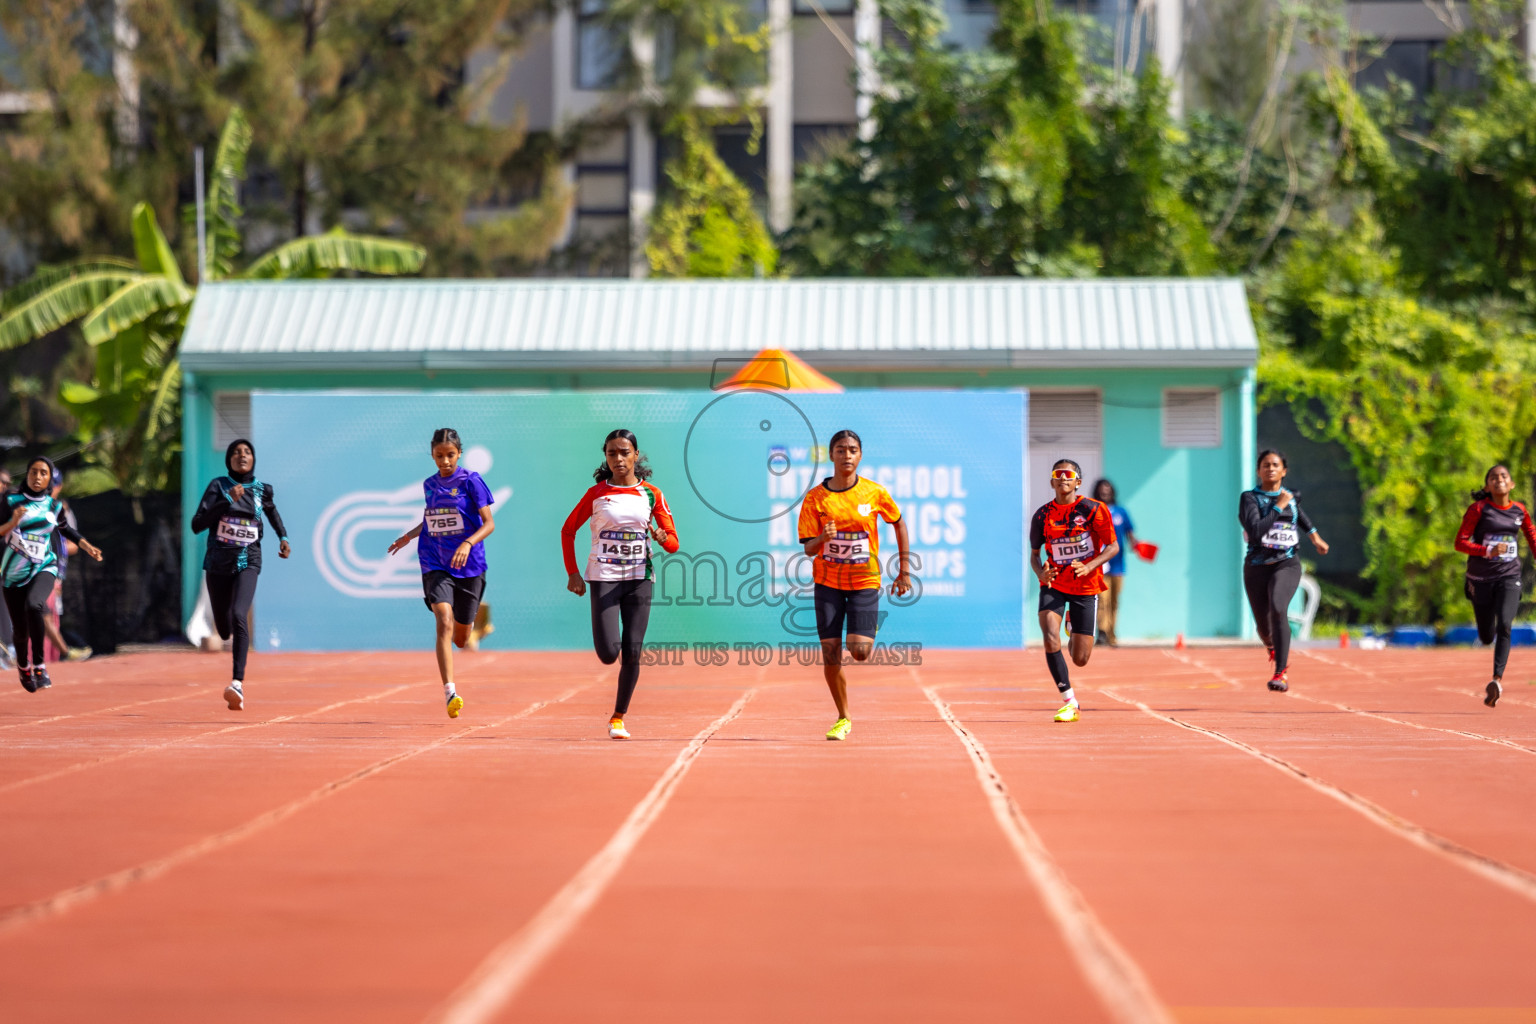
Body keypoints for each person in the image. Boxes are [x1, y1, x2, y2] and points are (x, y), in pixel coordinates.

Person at [562, 429, 680, 739]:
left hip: (639, 579)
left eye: (624, 452)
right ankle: (616, 708)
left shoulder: (652, 494)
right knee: (607, 653)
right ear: (606, 456)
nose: (618, 458)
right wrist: (573, 573)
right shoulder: (596, 494)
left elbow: (673, 544)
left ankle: (618, 717)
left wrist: (661, 536)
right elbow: (568, 530)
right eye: (612, 453)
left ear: (636, 455)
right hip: (603, 579)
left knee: (632, 651)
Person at [796, 429, 911, 741]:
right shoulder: (815, 498)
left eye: (852, 450)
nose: (846, 455)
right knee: (831, 653)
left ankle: (867, 625)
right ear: (831, 455)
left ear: (860, 455)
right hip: (828, 582)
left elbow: (898, 521)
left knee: (858, 650)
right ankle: (843, 717)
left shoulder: (874, 493)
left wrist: (904, 571)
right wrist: (823, 539)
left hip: (864, 579)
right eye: (840, 450)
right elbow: (807, 547)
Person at [388, 428, 496, 719]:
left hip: (469, 565)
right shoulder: (430, 485)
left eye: (450, 455)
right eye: (439, 456)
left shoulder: (471, 481)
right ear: (433, 455)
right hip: (434, 560)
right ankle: (450, 691)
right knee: (443, 620)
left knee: (461, 638)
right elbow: (431, 520)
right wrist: (408, 537)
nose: (445, 461)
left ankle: (476, 621)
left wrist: (467, 542)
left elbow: (489, 524)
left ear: (459, 453)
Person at [190, 439, 291, 711]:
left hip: (249, 561)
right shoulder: (217, 486)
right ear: (229, 460)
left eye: (247, 452)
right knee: (224, 629)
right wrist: (226, 501)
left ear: (253, 459)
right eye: (236, 452)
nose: (242, 455)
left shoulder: (262, 490)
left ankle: (237, 683)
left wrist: (283, 537)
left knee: (239, 614)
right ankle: (227, 636)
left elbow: (272, 514)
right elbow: (197, 525)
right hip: (217, 564)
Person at [0, 456, 102, 691]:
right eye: (33, 472)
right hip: (14, 570)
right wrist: (12, 522)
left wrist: (87, 546)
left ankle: (39, 665)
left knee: (35, 605)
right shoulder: (11, 500)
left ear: (49, 480)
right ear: (27, 474)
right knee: (20, 629)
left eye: (43, 473)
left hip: (44, 566)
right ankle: (24, 667)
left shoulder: (54, 506)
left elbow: (67, 530)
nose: (37, 477)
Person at [1030, 460, 1118, 723]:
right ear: (1052, 482)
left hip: (1085, 586)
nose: (1063, 479)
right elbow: (1034, 556)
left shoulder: (1093, 510)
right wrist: (1040, 573)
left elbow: (1112, 547)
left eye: (1069, 475)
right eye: (1058, 475)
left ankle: (1072, 622)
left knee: (1080, 659)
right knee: (1049, 636)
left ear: (1078, 482)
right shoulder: (1042, 515)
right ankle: (1069, 700)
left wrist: (1089, 565)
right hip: (1054, 582)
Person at [1239, 449, 1329, 692]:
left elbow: (1301, 517)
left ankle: (1281, 672)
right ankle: (1270, 644)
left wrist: (1315, 538)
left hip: (1286, 563)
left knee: (1279, 608)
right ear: (1258, 471)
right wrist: (1278, 507)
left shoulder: (1291, 498)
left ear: (1284, 470)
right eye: (1265, 465)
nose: (1270, 468)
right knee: (1263, 628)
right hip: (1257, 566)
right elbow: (1257, 531)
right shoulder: (1249, 499)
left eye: (1275, 465)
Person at [1454, 464, 1536, 708]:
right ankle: (1479, 612)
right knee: (1486, 635)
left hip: (1509, 576)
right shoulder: (1479, 509)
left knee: (1506, 624)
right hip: (1481, 579)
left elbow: (1531, 534)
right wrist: (1487, 550)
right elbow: (1460, 542)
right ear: (1487, 486)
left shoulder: (1519, 510)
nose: (1499, 480)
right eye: (1493, 477)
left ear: (1511, 484)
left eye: (1503, 476)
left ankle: (1496, 680)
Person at [43, 469, 91, 662]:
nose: (48, 489)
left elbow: (73, 545)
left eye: (52, 485)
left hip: (53, 574)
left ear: (59, 487)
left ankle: (58, 656)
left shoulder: (62, 510)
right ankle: (64, 652)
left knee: (49, 616)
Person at [1091, 478, 1142, 647]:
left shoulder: (1121, 511)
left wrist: (1138, 546)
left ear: (1112, 491)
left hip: (1119, 564)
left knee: (1114, 601)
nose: (1105, 492)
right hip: (1100, 564)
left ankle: (1112, 634)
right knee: (1102, 600)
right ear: (1097, 491)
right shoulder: (1093, 510)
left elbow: (1130, 534)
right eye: (1101, 489)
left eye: (1107, 489)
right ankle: (1102, 632)